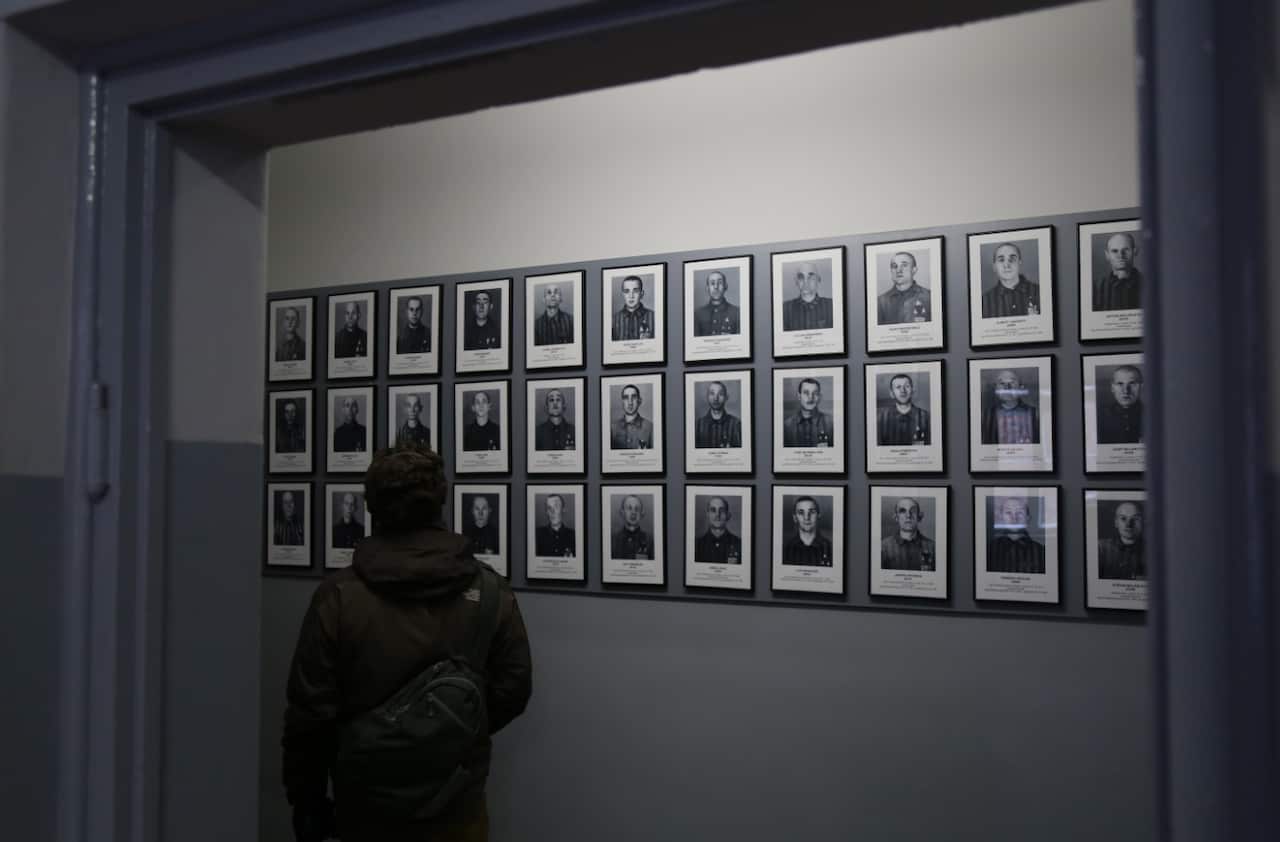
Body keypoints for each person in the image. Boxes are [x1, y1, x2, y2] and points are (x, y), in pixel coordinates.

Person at [282, 445, 532, 842]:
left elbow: (310, 715)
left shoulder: (340, 596)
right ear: (440, 502)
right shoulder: (488, 590)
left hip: (365, 809)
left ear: (372, 507)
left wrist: (306, 799)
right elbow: (514, 687)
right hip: (457, 805)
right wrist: (450, 729)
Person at [986, 496, 1045, 573]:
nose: (1014, 518)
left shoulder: (1041, 551)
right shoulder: (990, 549)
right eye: (1008, 512)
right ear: (1001, 517)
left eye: (1020, 512)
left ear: (1028, 518)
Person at [980, 242, 1040, 318]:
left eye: (1012, 259)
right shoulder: (984, 301)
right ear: (994, 267)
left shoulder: (1039, 292)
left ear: (1019, 262)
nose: (1007, 265)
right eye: (1001, 260)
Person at [980, 369, 1040, 445]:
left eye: (1012, 382)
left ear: (1021, 387)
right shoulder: (986, 415)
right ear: (996, 389)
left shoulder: (1034, 413)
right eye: (1002, 383)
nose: (1007, 387)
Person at [880, 497, 936, 571]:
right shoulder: (883, 547)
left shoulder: (933, 547)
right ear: (896, 517)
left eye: (913, 510)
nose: (908, 515)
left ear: (920, 517)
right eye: (902, 511)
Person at [876, 251, 931, 324]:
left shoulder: (929, 297)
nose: (898, 270)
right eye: (894, 266)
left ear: (914, 270)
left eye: (904, 265)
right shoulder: (881, 302)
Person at [875, 373, 930, 446]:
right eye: (898, 387)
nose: (903, 390)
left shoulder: (926, 417)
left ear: (912, 391)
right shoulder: (880, 418)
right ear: (892, 393)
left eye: (907, 386)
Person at [1092, 232, 1142, 311]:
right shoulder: (1096, 288)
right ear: (1107, 255)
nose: (1121, 255)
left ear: (1135, 251)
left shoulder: (1150, 284)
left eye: (1125, 250)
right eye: (1115, 251)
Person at [1098, 500, 1146, 580]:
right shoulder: (1100, 548)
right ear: (1116, 522)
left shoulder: (1154, 551)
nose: (1128, 524)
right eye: (1123, 518)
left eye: (1135, 519)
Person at [1097, 365, 1143, 444]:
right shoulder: (1100, 417)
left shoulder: (1154, 417)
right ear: (1112, 388)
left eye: (1132, 383)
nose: (1126, 391)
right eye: (1120, 384)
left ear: (1141, 387)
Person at [782, 378, 834, 448]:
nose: (810, 397)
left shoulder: (831, 423)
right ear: (799, 396)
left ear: (819, 397)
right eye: (806, 393)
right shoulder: (787, 426)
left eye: (815, 393)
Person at [782, 261, 834, 330]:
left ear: (818, 279)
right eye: (801, 277)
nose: (805, 282)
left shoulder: (832, 306)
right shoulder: (785, 309)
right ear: (796, 281)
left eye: (811, 277)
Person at [782, 496, 833, 566]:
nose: (806, 517)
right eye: (801, 512)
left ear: (819, 515)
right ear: (795, 518)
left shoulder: (830, 548)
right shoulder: (786, 549)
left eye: (812, 512)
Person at [693, 380, 742, 448]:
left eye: (720, 394)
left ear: (726, 397)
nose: (715, 398)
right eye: (712, 393)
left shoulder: (736, 424)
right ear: (707, 396)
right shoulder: (697, 425)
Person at [694, 496, 741, 564]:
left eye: (721, 510)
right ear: (708, 514)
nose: (717, 515)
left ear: (728, 515)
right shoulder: (697, 545)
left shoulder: (739, 544)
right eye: (713, 510)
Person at [692, 270, 740, 336]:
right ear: (707, 288)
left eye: (720, 283)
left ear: (725, 286)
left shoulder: (737, 313)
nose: (716, 287)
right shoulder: (697, 314)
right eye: (712, 283)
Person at [611, 275, 655, 341]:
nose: (631, 296)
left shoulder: (654, 317)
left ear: (641, 294)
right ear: (623, 294)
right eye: (626, 291)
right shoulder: (613, 320)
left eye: (635, 291)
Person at [610, 384, 654, 449]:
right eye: (626, 398)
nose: (630, 402)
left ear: (639, 401)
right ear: (622, 402)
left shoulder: (650, 428)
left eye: (634, 397)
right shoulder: (612, 428)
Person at [611, 495, 653, 559]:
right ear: (622, 513)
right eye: (629, 508)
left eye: (637, 509)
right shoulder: (613, 540)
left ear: (642, 514)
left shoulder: (650, 540)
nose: (633, 512)